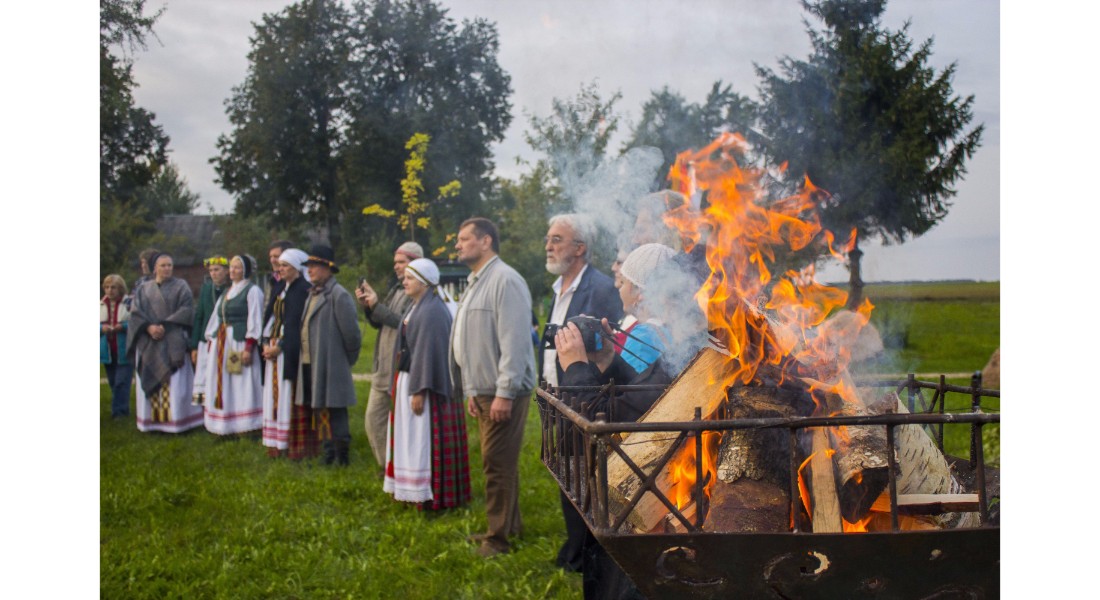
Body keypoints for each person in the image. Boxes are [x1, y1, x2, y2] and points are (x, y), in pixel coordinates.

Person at [554, 242, 680, 599]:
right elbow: (643, 392)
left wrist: (577, 369)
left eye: (625, 281)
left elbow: (597, 426)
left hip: (652, 497)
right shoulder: (677, 338)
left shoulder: (673, 339)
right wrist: (609, 360)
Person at [537, 213, 624, 573]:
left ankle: (586, 553)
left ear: (580, 248)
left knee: (586, 476)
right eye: (548, 238)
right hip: (557, 394)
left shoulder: (600, 288)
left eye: (557, 239)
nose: (548, 245)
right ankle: (575, 548)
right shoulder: (559, 288)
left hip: (586, 396)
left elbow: (611, 343)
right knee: (567, 473)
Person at [448, 217, 536, 558]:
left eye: (463, 238)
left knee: (496, 463)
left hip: (502, 390)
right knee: (500, 460)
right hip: (484, 389)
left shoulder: (505, 280)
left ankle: (497, 539)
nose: (457, 245)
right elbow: (473, 340)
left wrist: (504, 392)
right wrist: (472, 389)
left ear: (486, 241)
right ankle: (510, 526)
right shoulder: (477, 281)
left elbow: (515, 341)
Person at [384, 258, 472, 510]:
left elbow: (427, 352)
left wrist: (419, 390)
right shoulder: (417, 306)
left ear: (424, 282)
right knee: (410, 437)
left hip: (424, 385)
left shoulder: (432, 311)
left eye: (410, 278)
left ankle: (428, 495)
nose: (404, 282)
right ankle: (410, 490)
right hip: (410, 379)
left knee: (420, 439)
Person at [355, 241, 422, 468]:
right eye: (395, 262)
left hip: (400, 367)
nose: (396, 266)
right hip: (382, 367)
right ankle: (388, 468)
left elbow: (404, 323)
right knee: (373, 420)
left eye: (401, 262)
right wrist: (369, 306)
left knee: (402, 423)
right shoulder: (396, 288)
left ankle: (400, 469)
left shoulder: (418, 292)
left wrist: (377, 306)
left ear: (415, 263)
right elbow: (380, 322)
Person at [298, 245, 361, 466]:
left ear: (328, 268)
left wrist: (344, 361)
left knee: (336, 408)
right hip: (312, 362)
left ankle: (341, 455)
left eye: (314, 266)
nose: (309, 270)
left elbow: (352, 335)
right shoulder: (312, 294)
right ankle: (328, 452)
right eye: (308, 266)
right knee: (320, 406)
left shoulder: (338, 295)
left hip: (332, 362)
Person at [127, 252, 204, 433]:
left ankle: (178, 421)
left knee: (175, 384)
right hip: (149, 341)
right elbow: (135, 313)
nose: (167, 268)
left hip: (173, 338)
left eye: (169, 265)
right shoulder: (143, 289)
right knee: (152, 375)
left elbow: (187, 309)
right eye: (163, 265)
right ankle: (152, 423)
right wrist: (148, 328)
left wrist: (164, 325)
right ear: (155, 268)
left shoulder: (181, 286)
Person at [201, 255, 265, 436]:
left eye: (237, 267)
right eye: (231, 267)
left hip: (239, 343)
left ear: (246, 270)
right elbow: (216, 317)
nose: (232, 271)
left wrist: (249, 347)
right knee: (226, 381)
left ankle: (247, 424)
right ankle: (225, 424)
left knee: (240, 381)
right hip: (223, 343)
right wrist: (211, 340)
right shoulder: (228, 291)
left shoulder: (253, 291)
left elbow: (255, 319)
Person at [260, 248, 312, 458]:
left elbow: (296, 324)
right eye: (279, 265)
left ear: (296, 268)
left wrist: (279, 347)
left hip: (288, 351)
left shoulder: (302, 289)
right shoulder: (280, 287)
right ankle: (274, 441)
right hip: (273, 346)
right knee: (273, 395)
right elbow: (271, 316)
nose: (280, 269)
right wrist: (265, 342)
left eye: (285, 265)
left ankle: (290, 442)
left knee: (286, 393)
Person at [191, 255, 230, 406]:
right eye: (211, 270)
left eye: (217, 270)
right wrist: (194, 345)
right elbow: (199, 316)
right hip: (205, 340)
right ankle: (205, 409)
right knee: (204, 374)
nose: (213, 273)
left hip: (225, 339)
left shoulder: (231, 289)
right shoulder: (206, 289)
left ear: (226, 271)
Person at [101, 274, 133, 418]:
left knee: (121, 382)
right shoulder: (100, 305)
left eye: (113, 287)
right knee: (113, 382)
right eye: (107, 287)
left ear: (120, 288)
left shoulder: (129, 303)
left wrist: (123, 326)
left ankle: (119, 413)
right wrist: (101, 328)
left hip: (124, 349)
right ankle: (122, 409)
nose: (110, 290)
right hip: (108, 350)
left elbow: (137, 322)